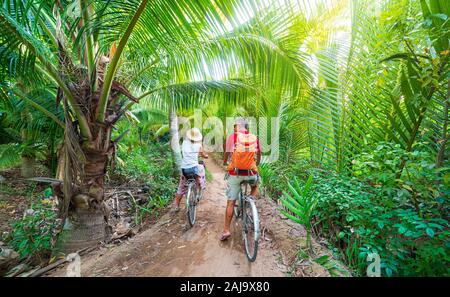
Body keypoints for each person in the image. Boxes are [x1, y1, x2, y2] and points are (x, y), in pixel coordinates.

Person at [220, 118, 261, 241]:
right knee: (255, 186)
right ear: (246, 127)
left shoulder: (233, 137)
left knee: (230, 202)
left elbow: (227, 153)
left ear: (237, 126)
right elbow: (259, 154)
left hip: (235, 174)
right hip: (250, 173)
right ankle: (250, 203)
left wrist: (224, 162)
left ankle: (226, 230)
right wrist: (256, 164)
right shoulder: (253, 137)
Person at [172, 128, 208, 212]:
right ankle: (200, 188)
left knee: (181, 187)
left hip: (184, 169)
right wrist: (205, 156)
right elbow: (202, 154)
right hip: (193, 169)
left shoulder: (184, 143)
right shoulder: (198, 145)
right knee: (200, 170)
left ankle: (176, 205)